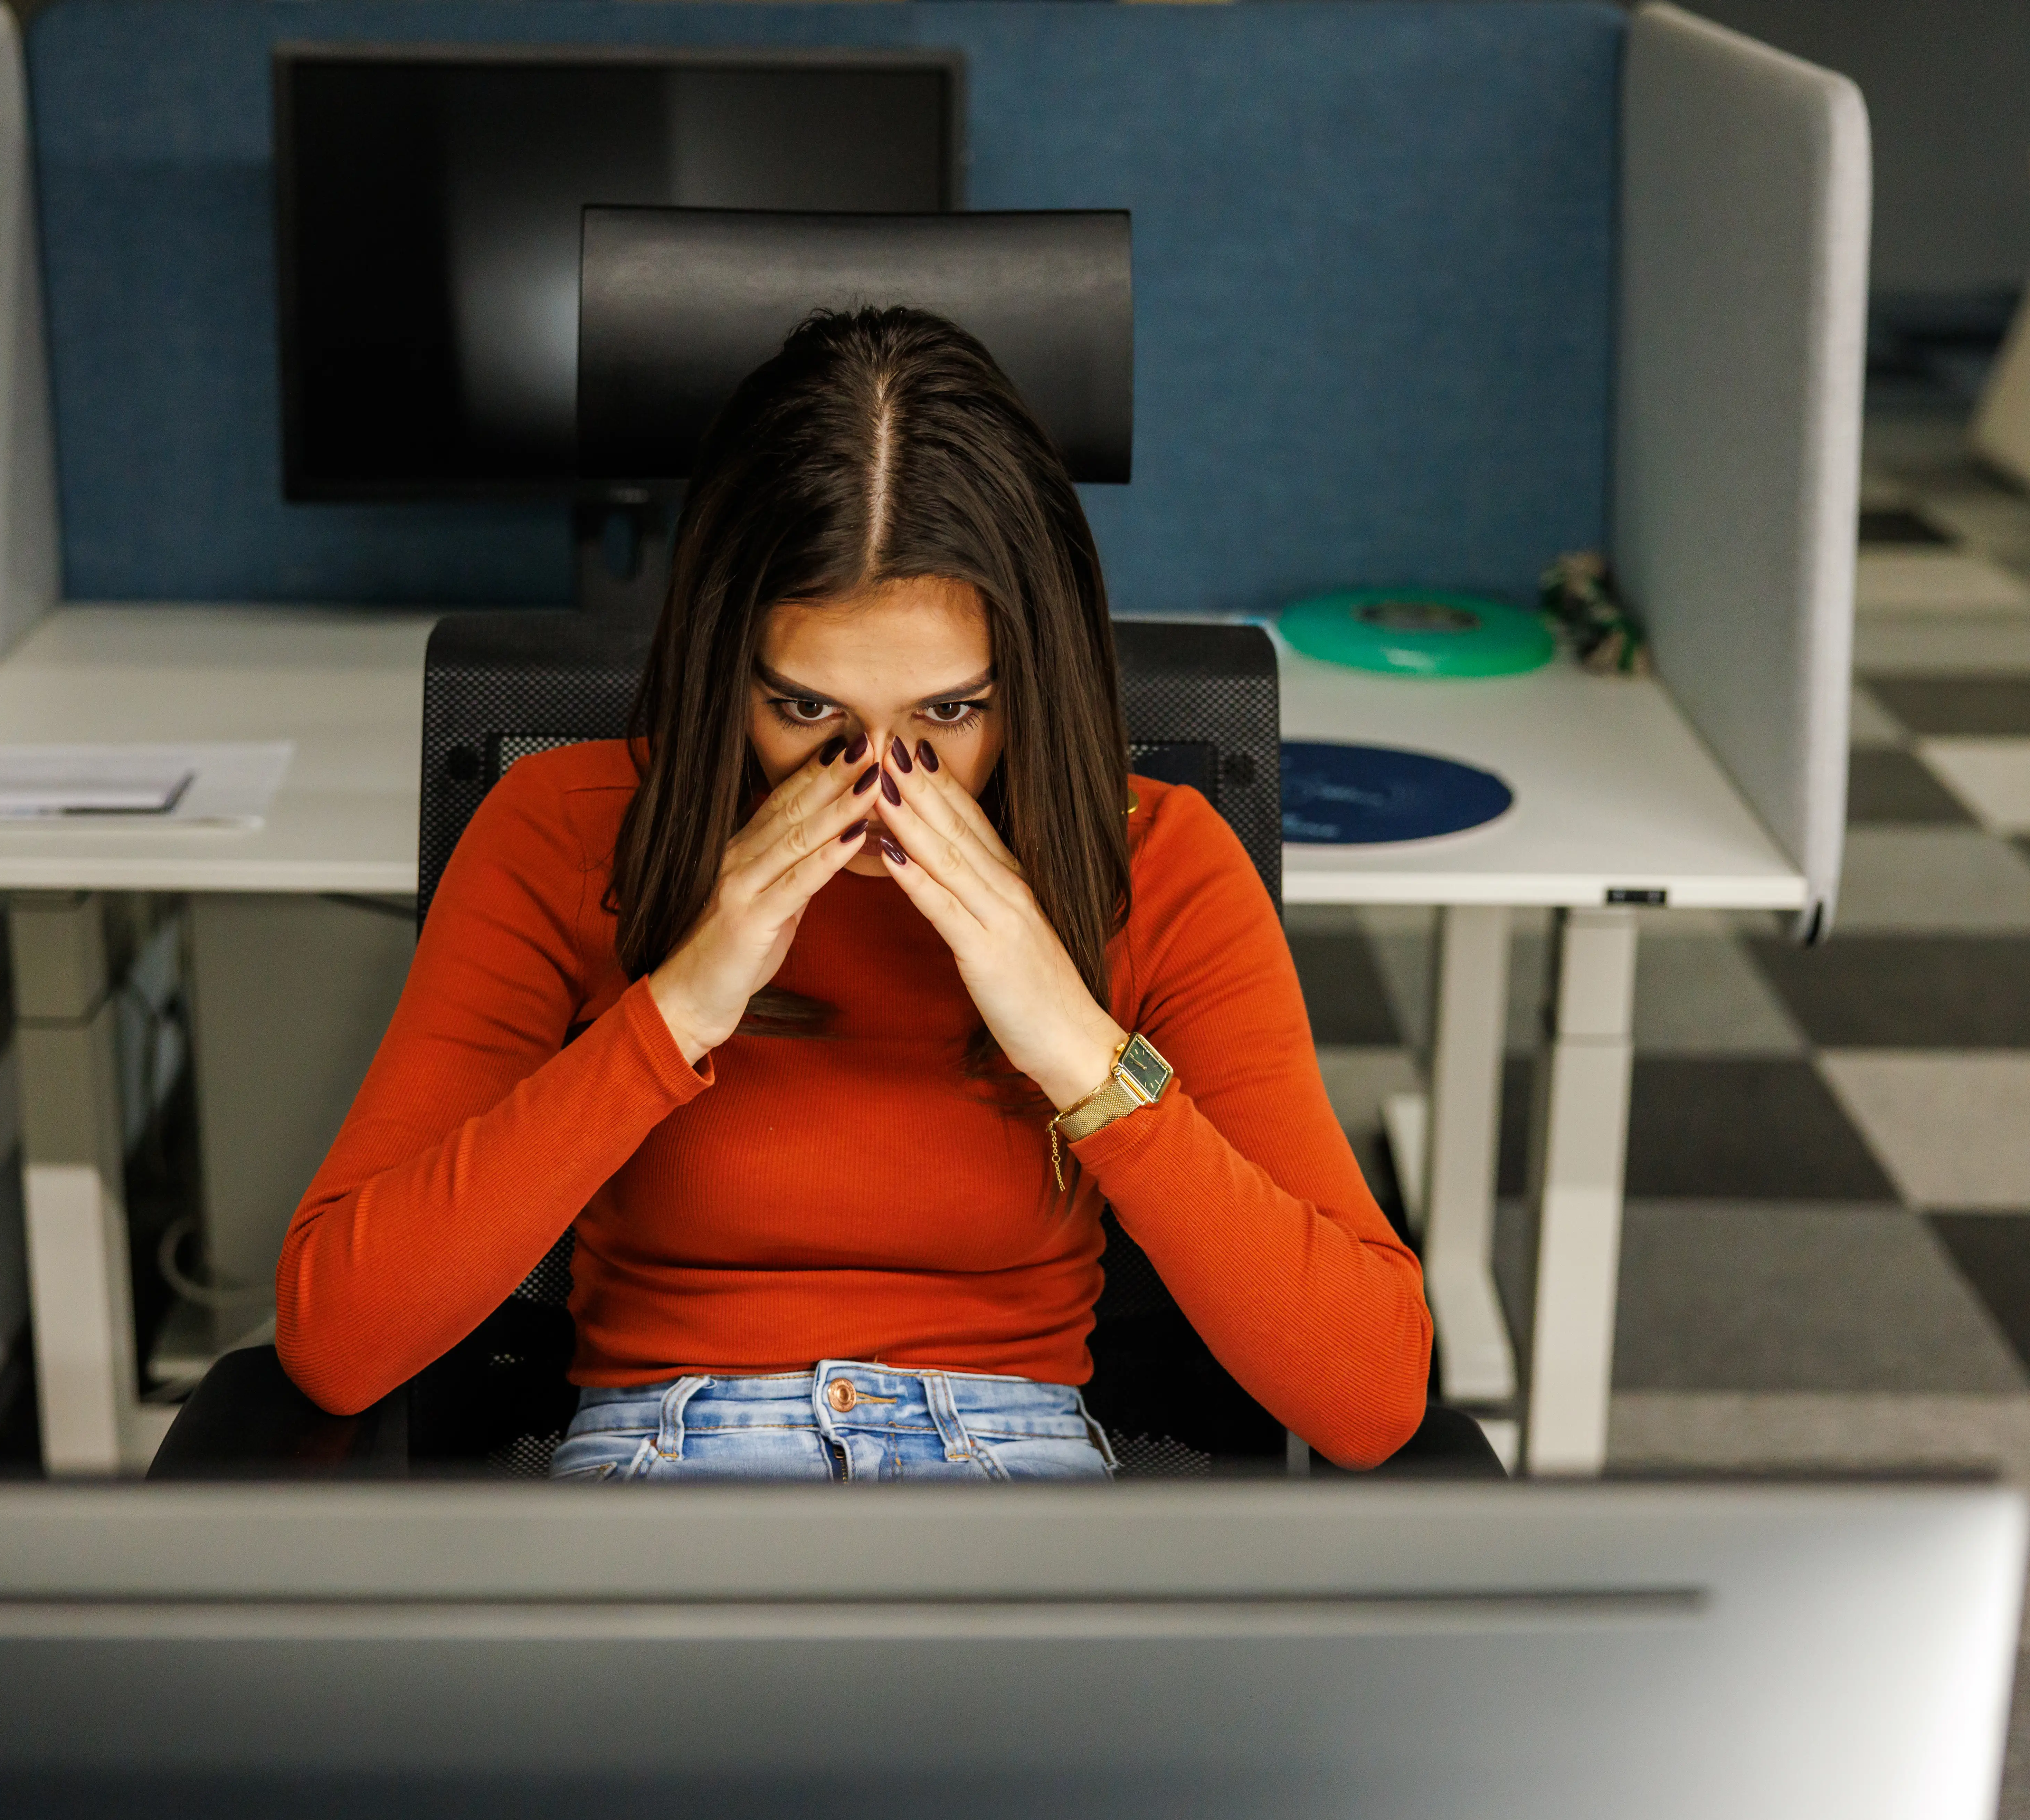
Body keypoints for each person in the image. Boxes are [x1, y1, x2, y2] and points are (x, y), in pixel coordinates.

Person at [276, 307, 1430, 1481]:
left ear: (1032, 678)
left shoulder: (1161, 864)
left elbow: (1370, 1394)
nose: (880, 785)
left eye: (948, 713)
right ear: (725, 665)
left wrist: (1078, 1049)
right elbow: (338, 1343)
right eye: (808, 710)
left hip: (1011, 1464)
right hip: (669, 1457)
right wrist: (677, 1006)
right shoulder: (563, 832)